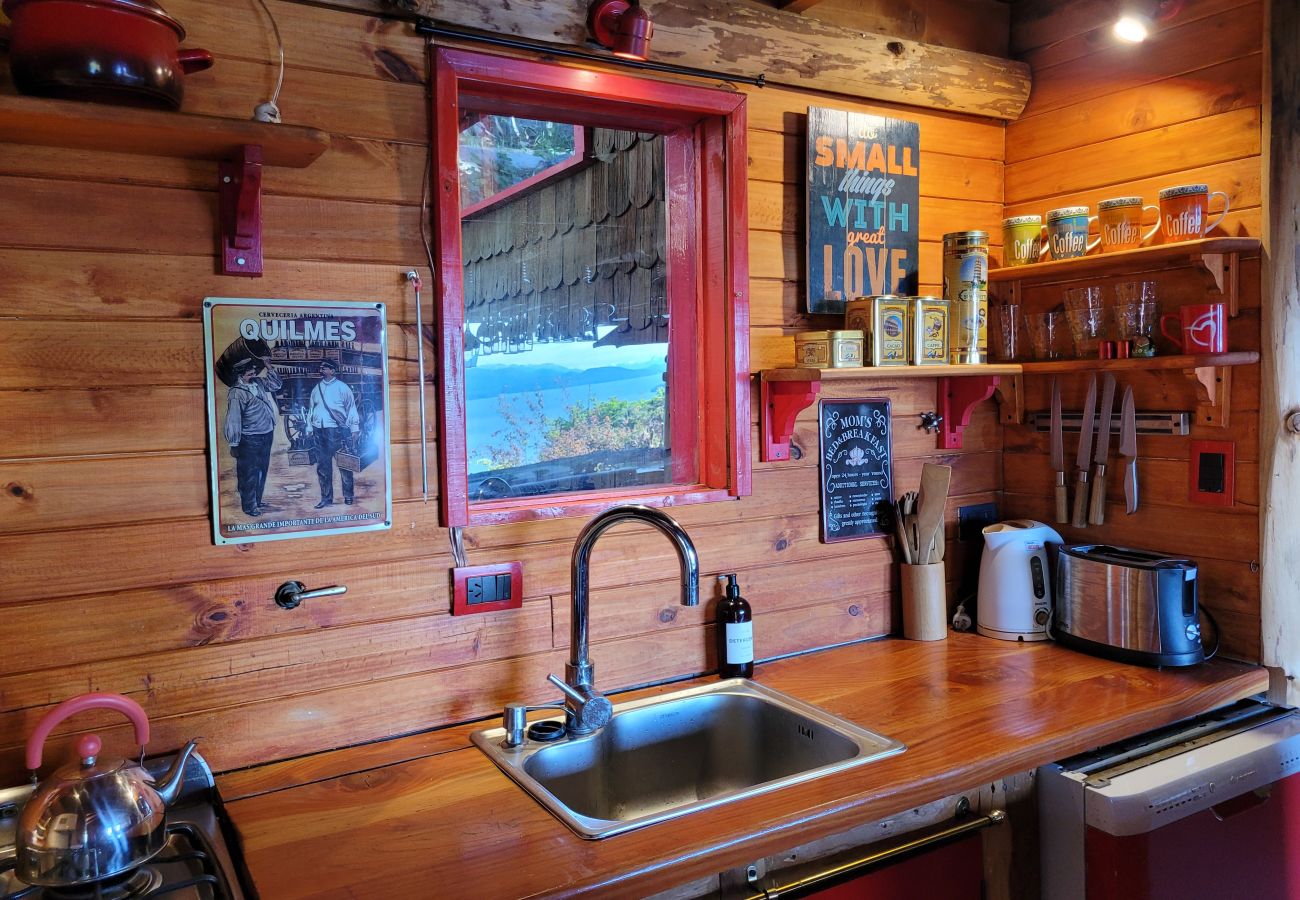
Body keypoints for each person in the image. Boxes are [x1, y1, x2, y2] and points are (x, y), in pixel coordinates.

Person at [223, 356, 282, 518]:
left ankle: (257, 500)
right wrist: (234, 442)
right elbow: (233, 419)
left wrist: (269, 367)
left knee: (262, 470)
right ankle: (249, 506)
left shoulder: (259, 383)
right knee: (248, 473)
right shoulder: (237, 392)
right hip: (249, 438)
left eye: (253, 369)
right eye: (249, 370)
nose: (253, 372)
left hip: (266, 434)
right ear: (241, 374)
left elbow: (277, 385)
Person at [307, 360, 360, 508]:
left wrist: (354, 429)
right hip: (319, 431)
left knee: (344, 464)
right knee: (323, 467)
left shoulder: (342, 388)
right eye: (321, 367)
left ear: (332, 371)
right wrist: (309, 428)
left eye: (325, 368)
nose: (321, 369)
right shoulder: (316, 388)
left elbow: (351, 409)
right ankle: (326, 498)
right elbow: (311, 408)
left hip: (337, 431)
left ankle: (348, 496)